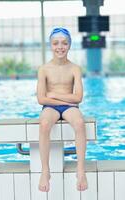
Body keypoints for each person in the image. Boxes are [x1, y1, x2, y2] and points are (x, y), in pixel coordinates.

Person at [37, 27, 88, 192]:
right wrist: (60, 96)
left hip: (69, 107)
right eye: (56, 43)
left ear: (69, 45)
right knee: (44, 124)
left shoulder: (75, 68)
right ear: (51, 45)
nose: (60, 46)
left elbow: (78, 97)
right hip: (51, 106)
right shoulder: (44, 69)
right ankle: (45, 170)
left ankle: (80, 170)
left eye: (64, 43)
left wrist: (52, 94)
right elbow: (41, 99)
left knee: (80, 123)